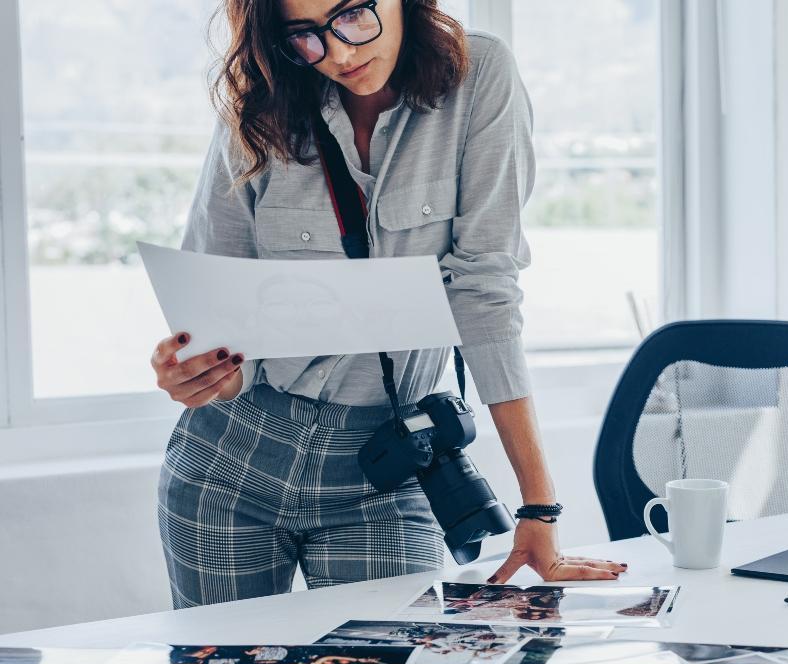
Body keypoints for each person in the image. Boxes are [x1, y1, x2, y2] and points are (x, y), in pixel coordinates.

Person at [150, 0, 627, 609]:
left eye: (351, 15)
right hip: (233, 459)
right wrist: (201, 373)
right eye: (305, 35)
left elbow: (485, 293)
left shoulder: (480, 77)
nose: (341, 53)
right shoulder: (260, 105)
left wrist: (539, 506)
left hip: (389, 462)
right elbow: (218, 306)